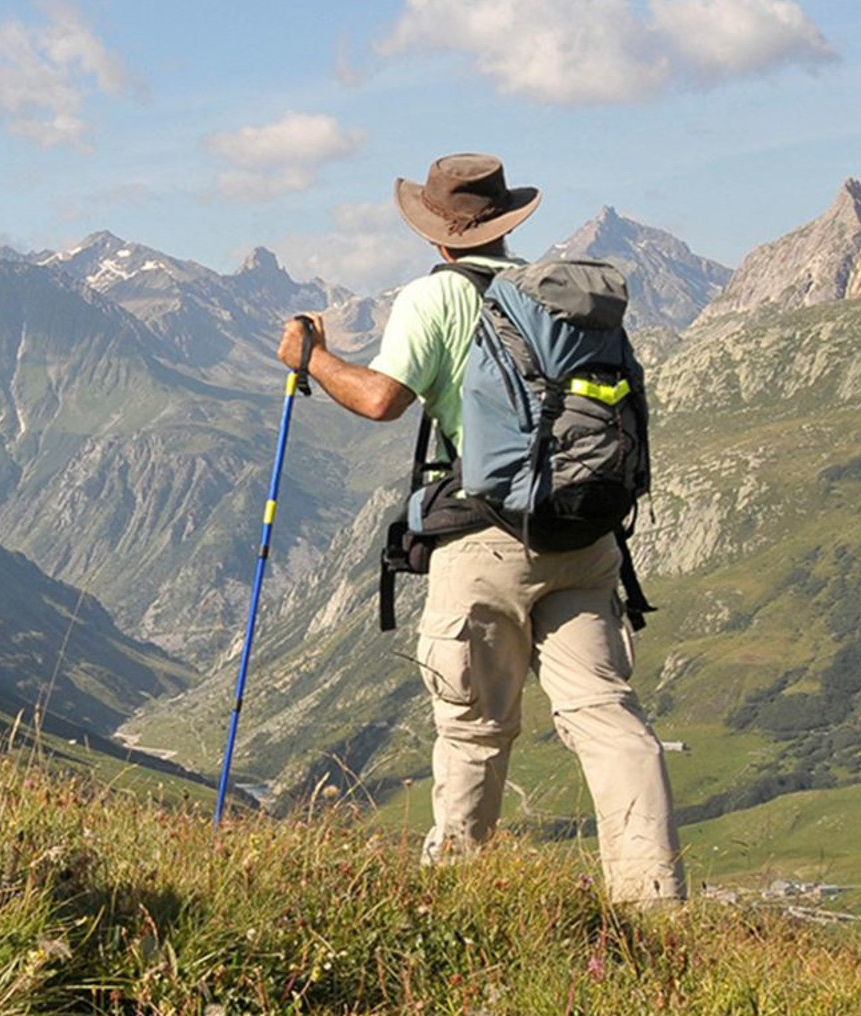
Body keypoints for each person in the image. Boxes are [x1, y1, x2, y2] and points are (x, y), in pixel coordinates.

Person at [277, 153, 685, 907]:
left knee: (474, 731)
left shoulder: (435, 297)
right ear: (504, 225)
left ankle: (455, 899)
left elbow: (380, 400)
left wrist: (313, 358)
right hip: (584, 536)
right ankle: (654, 898)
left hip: (485, 539)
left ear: (435, 234)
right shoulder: (551, 296)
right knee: (607, 716)